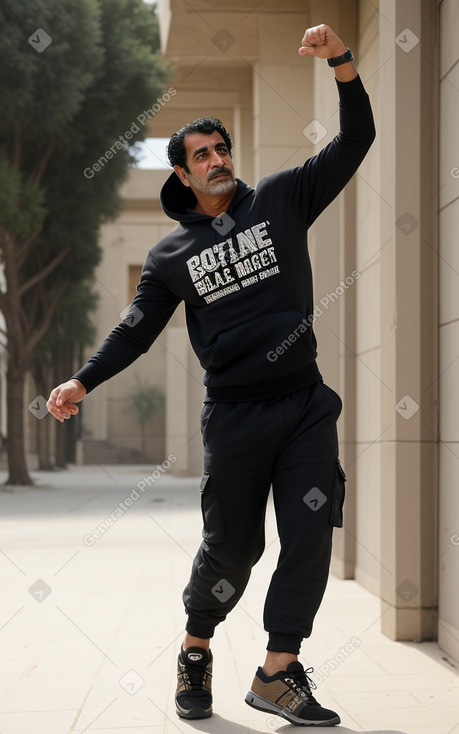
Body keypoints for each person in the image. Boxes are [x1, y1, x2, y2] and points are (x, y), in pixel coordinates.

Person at [47, 23, 375, 727]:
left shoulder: (281, 199)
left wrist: (341, 63)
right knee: (234, 546)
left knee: (312, 528)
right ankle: (197, 648)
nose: (217, 158)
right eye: (201, 154)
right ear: (182, 175)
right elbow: (136, 330)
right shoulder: (170, 256)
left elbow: (353, 143)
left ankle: (277, 672)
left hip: (305, 403)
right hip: (235, 417)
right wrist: (82, 381)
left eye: (222, 147)